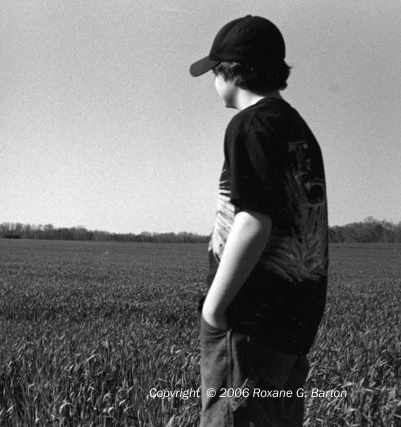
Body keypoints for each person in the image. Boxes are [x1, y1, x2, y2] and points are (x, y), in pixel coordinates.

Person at [189, 15, 329, 426]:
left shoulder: (248, 126)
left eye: (214, 71)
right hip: (294, 323)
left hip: (249, 322)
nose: (214, 81)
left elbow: (253, 221)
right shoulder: (297, 128)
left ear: (230, 71)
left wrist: (214, 309)